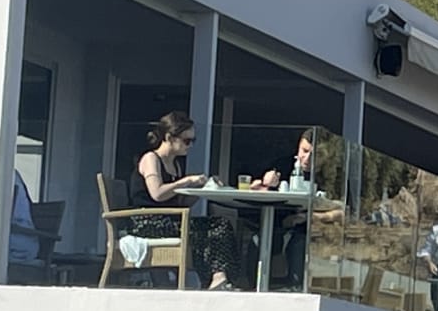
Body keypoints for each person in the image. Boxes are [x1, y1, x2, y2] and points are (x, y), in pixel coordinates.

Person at [129, 110, 247, 290]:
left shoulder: (175, 164)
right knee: (214, 227)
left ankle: (220, 277)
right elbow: (157, 193)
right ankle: (216, 277)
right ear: (169, 138)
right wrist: (185, 181)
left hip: (169, 219)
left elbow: (180, 203)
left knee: (220, 223)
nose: (190, 145)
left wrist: (201, 189)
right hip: (147, 222)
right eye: (186, 141)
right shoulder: (151, 159)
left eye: (193, 141)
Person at [253, 128, 319, 288]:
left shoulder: (331, 174)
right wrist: (264, 183)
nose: (307, 158)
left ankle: (295, 288)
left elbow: (344, 209)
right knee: (258, 241)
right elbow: (255, 187)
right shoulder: (283, 165)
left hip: (309, 230)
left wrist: (309, 217)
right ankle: (253, 286)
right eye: (304, 151)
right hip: (277, 223)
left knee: (299, 244)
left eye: (314, 154)